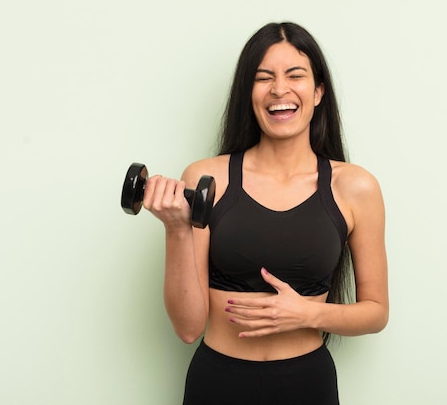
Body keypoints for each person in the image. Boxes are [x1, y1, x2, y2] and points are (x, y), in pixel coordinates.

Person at [142, 22, 388, 405]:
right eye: (263, 77)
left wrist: (306, 313)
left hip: (308, 383)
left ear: (319, 91)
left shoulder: (356, 187)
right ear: (249, 93)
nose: (279, 89)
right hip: (217, 382)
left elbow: (376, 312)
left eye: (295, 75)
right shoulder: (208, 178)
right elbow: (189, 328)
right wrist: (177, 229)